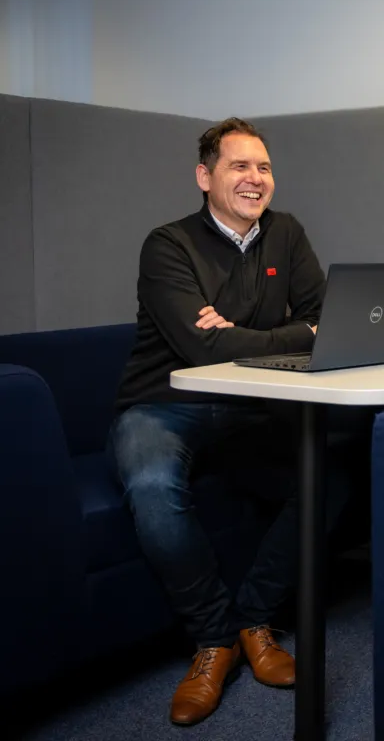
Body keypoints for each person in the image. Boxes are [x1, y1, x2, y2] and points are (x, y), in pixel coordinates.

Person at [109, 118, 334, 726]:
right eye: (239, 166)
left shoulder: (285, 234)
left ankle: (254, 618)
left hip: (248, 404)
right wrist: (292, 334)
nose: (255, 179)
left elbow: (327, 322)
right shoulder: (168, 245)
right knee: (153, 489)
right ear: (205, 177)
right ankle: (215, 639)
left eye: (263, 167)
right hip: (163, 405)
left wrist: (241, 335)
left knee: (334, 467)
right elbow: (201, 350)